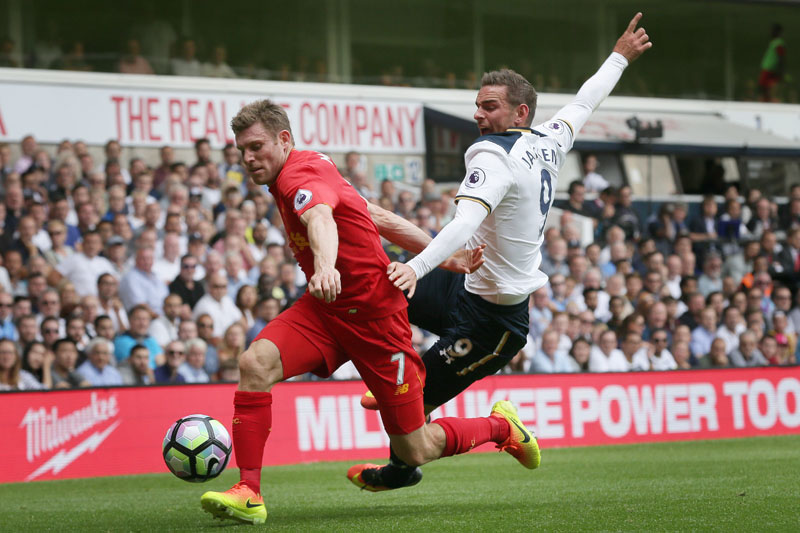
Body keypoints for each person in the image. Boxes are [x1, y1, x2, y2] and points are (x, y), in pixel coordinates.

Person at [350, 12, 652, 491]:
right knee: (372, 286)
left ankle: (484, 434)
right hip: (464, 283)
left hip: (493, 323)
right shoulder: (549, 141)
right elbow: (585, 101)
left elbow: (464, 222)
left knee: (408, 412)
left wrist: (418, 266)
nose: (478, 115)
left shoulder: (493, 155)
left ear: (519, 113)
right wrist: (619, 56)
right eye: (477, 105)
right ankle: (396, 377)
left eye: (489, 107)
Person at [198, 98, 536, 526]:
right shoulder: (315, 166)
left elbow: (319, 217)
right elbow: (373, 215)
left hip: (377, 321)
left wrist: (323, 268)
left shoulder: (298, 176)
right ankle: (248, 491)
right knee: (255, 363)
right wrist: (445, 256)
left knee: (415, 449)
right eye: (242, 150)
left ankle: (500, 428)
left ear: (284, 140)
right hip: (327, 312)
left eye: (256, 146)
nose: (248, 158)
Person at [758, 24, 786, 103]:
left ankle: (768, 101)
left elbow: (781, 57)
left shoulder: (778, 43)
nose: (770, 33)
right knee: (766, 87)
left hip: (769, 68)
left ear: (778, 32)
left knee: (764, 86)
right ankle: (768, 101)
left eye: (773, 31)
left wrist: (781, 71)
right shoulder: (774, 42)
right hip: (768, 68)